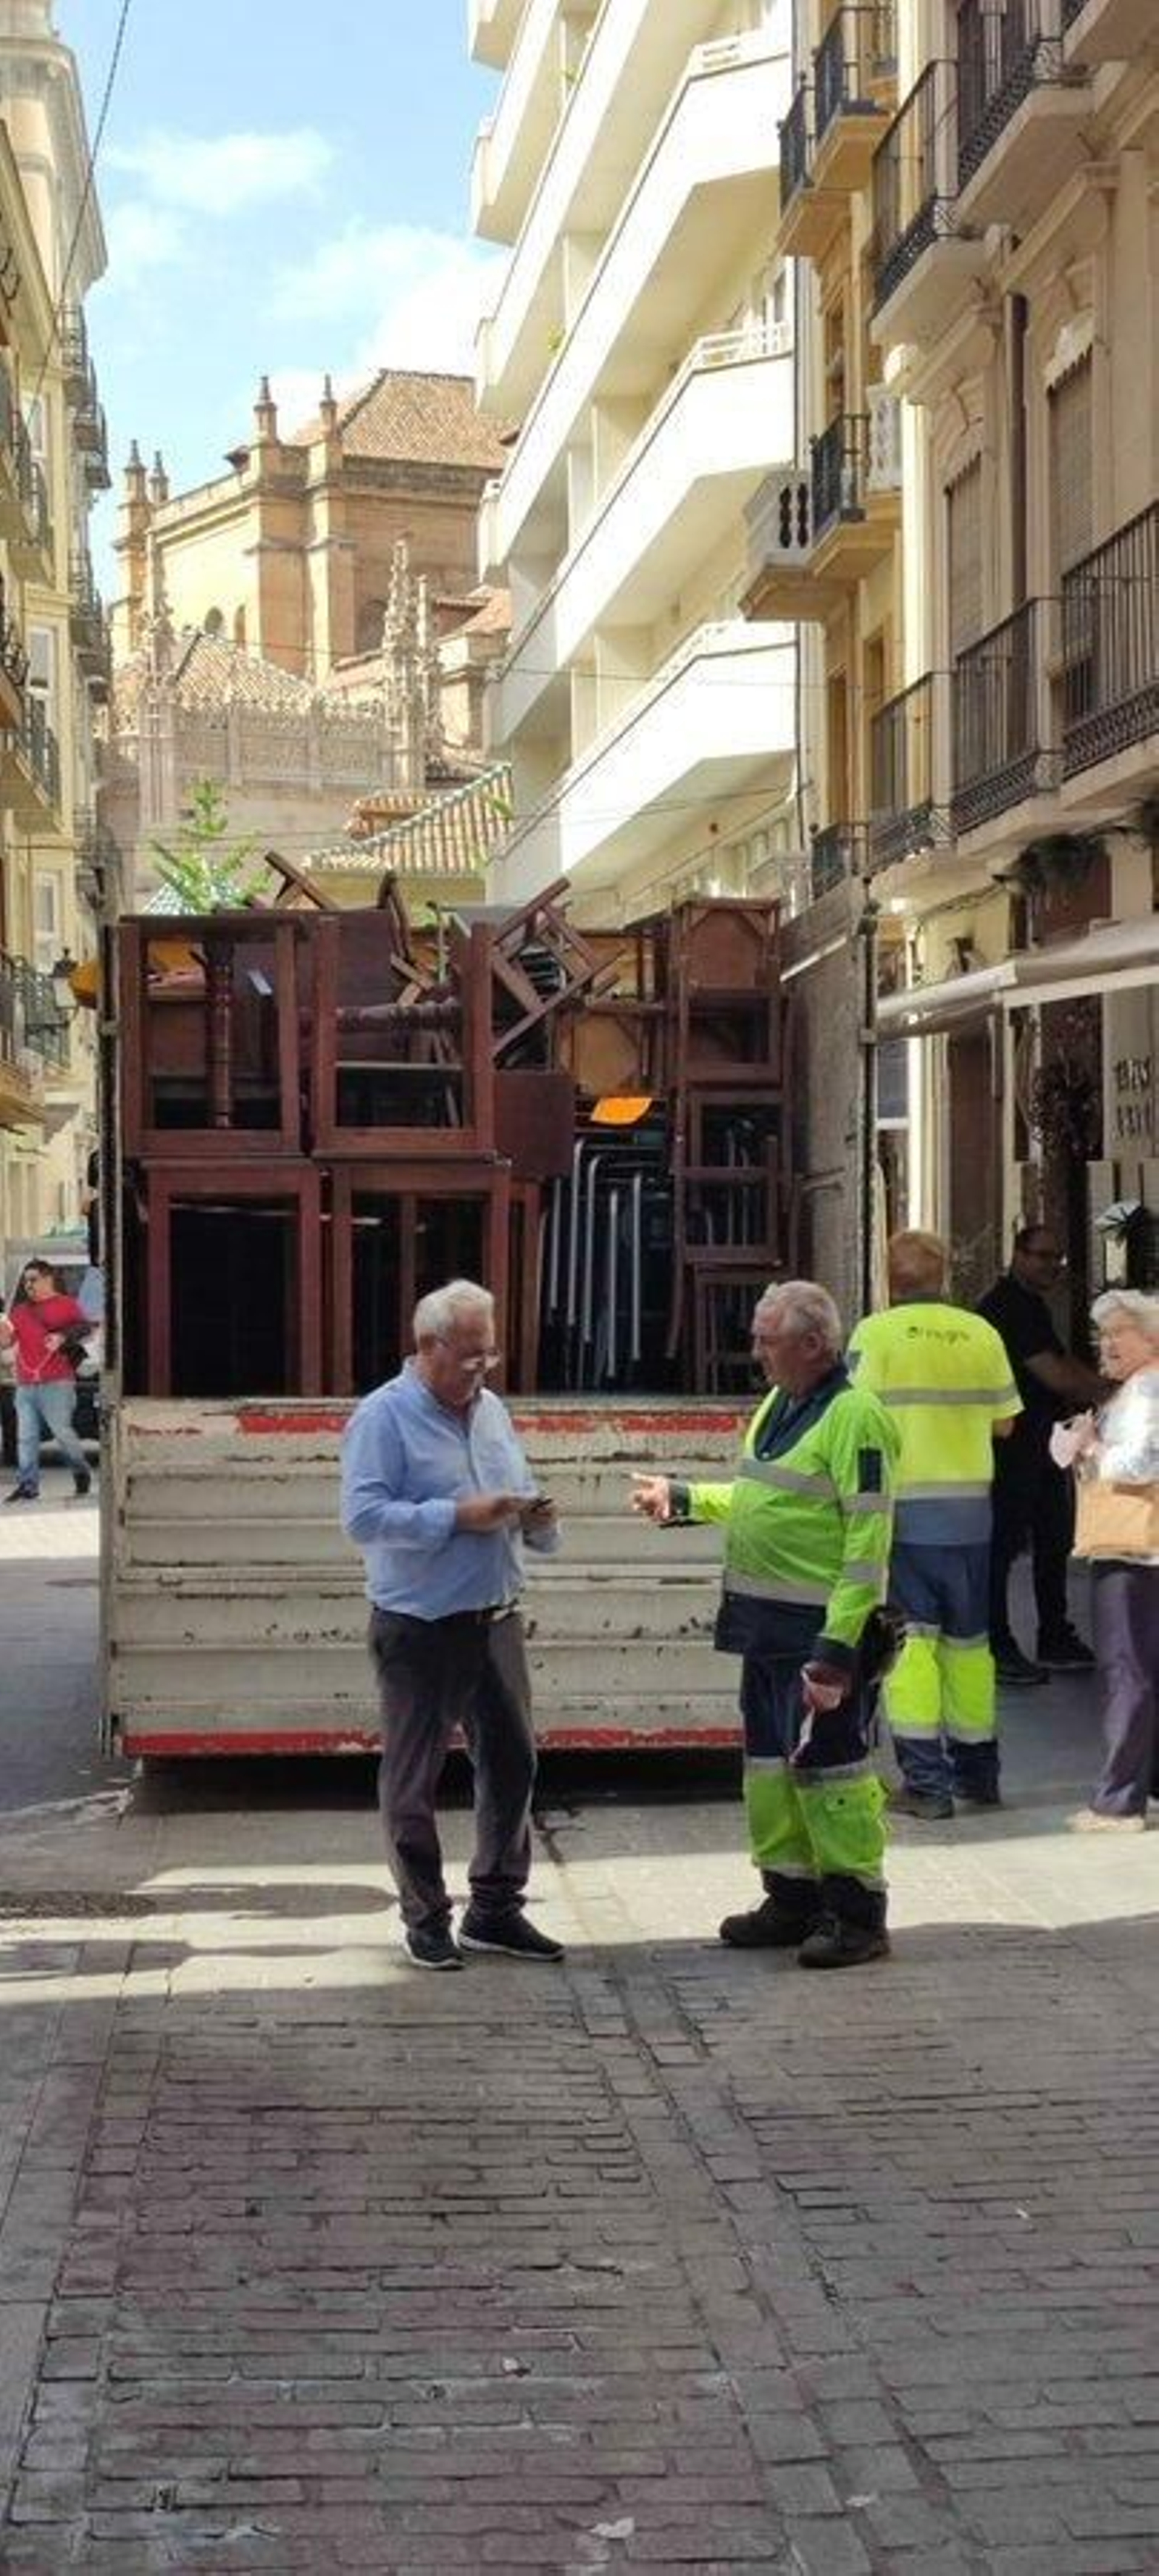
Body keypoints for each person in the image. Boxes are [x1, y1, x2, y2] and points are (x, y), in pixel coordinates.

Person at [632, 1280, 898, 1970]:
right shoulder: (782, 1403)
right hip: (765, 1630)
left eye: (766, 1339)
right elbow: (762, 1498)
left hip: (816, 1637)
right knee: (772, 1770)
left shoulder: (854, 1417)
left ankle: (857, 1913)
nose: (756, 1352)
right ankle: (792, 1897)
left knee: (831, 1774)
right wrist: (685, 1498)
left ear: (813, 1345)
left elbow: (867, 1545)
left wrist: (838, 1653)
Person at [340, 1278, 564, 1972]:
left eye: (488, 1355)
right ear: (428, 1346)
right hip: (420, 1623)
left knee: (512, 1760)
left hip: (495, 1614)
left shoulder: (491, 1410)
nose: (480, 1369)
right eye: (469, 1356)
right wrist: (454, 1518)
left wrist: (538, 1520)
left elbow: (514, 1488)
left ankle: (495, 1910)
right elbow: (364, 1518)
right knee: (414, 1777)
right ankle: (425, 1915)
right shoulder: (384, 1417)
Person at [848, 1231, 1019, 1821]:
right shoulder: (982, 1333)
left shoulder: (876, 1335)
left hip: (908, 1519)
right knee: (971, 1648)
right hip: (973, 1518)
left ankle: (926, 1782)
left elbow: (854, 1419)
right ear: (944, 1275)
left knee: (911, 1647)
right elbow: (1005, 1426)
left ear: (890, 1279)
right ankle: (980, 1774)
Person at [1051, 1290, 1159, 1832]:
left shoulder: (1145, 1391)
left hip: (1133, 1547)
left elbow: (1141, 1462)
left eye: (1120, 1333)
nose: (1107, 1344)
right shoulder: (1140, 1388)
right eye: (1103, 1334)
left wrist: (1090, 1448)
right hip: (1143, 1549)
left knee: (1127, 1671)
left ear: (1152, 1338)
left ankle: (1118, 1803)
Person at [979, 1226, 1102, 1684]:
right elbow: (1056, 1374)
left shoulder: (1028, 1305)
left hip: (1040, 1444)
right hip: (1013, 1446)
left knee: (1052, 1540)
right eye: (1042, 1256)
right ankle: (998, 1642)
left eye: (1058, 1259)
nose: (1051, 1266)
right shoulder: (1009, 1306)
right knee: (1005, 1547)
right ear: (1017, 1254)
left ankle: (1054, 1634)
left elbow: (1061, 1365)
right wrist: (1118, 1391)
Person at [0, 1261, 93, 1504]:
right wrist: (3, 1332)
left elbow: (85, 1328)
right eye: (25, 1280)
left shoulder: (66, 1305)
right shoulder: (19, 1311)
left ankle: (80, 1471)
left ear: (48, 1279)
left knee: (62, 1432)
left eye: (33, 1279)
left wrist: (62, 1337)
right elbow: (7, 1343)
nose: (28, 1285)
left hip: (58, 1382)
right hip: (25, 1383)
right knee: (26, 1436)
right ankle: (28, 1485)